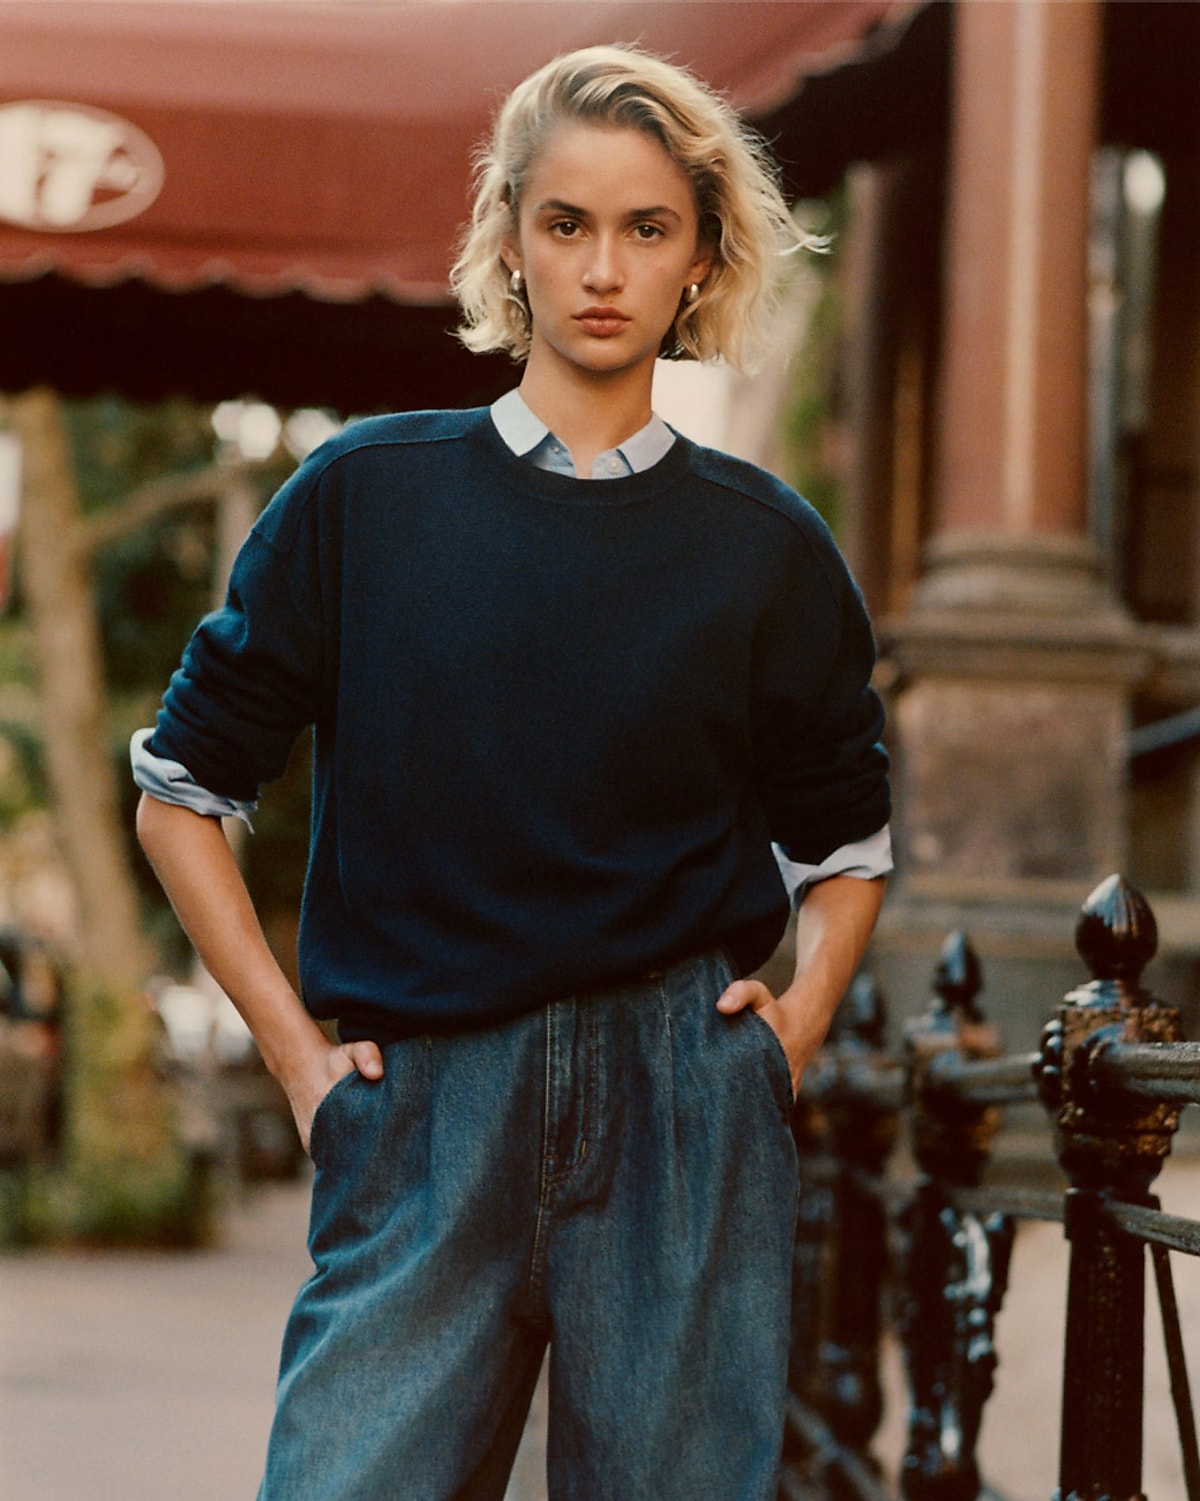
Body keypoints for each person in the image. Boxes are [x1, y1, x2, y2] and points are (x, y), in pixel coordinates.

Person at [133, 43, 891, 1501]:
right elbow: (182, 794)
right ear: (511, 242)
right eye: (567, 223)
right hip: (422, 1105)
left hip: (683, 1114)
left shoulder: (764, 544)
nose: (603, 267)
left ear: (700, 258)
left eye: (647, 227)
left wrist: (782, 1040)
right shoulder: (364, 497)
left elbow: (845, 844)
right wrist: (298, 1057)